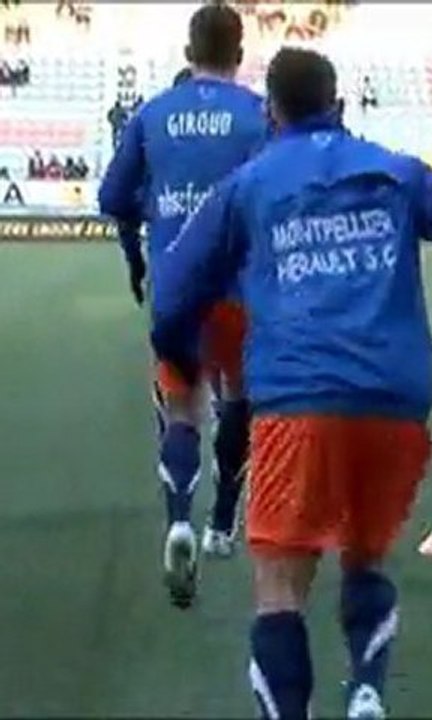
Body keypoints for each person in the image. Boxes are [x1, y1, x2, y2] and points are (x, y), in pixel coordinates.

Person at [150, 47, 432, 719]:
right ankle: (366, 686)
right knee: (365, 559)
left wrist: (180, 357)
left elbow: (173, 296)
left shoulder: (250, 185)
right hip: (394, 400)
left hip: (295, 399)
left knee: (280, 585)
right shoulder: (397, 171)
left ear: (270, 113)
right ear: (338, 106)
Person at [97, 3, 268, 608]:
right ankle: (222, 524)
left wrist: (147, 242)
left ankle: (178, 521)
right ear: (239, 52)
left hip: (177, 288)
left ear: (188, 51)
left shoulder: (153, 113)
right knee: (240, 400)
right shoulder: (259, 114)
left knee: (182, 408)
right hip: (244, 291)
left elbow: (113, 195)